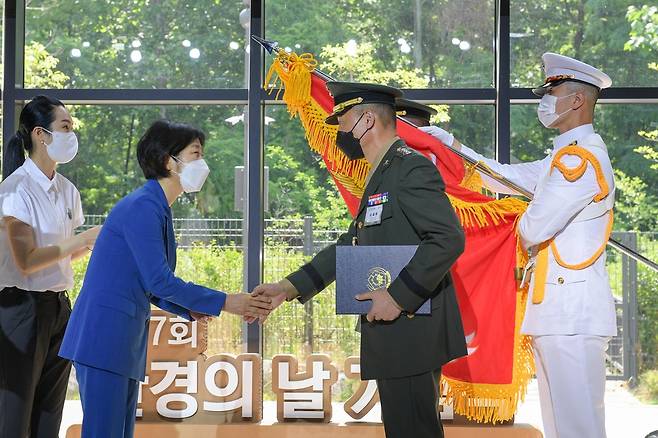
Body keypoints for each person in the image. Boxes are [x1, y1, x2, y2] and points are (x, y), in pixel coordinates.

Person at [251, 82, 467, 438]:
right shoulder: (382, 173)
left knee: (414, 429)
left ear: (367, 120)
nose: (339, 131)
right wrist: (288, 288)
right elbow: (350, 247)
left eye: (343, 120)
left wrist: (398, 296)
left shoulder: (409, 169)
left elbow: (448, 239)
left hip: (412, 329)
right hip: (398, 330)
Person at [421, 52, 616, 438]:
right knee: (561, 425)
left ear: (576, 100)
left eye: (552, 90)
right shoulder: (562, 157)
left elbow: (531, 228)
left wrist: (502, 217)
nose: (544, 100)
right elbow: (505, 177)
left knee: (579, 427)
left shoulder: (580, 160)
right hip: (558, 314)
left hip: (572, 315)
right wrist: (452, 146)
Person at [59, 120, 272, 438]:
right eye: (195, 153)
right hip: (104, 337)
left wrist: (193, 309)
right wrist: (227, 302)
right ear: (169, 161)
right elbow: (159, 281)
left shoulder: (155, 206)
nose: (202, 163)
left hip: (118, 340)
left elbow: (149, 283)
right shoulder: (143, 207)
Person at [0, 95, 100, 438]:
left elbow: (63, 255)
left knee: (50, 412)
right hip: (21, 309)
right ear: (40, 134)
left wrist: (89, 244)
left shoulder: (67, 190)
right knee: (15, 415)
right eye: (66, 126)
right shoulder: (15, 189)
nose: (72, 134)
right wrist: (82, 240)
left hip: (59, 305)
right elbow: (26, 261)